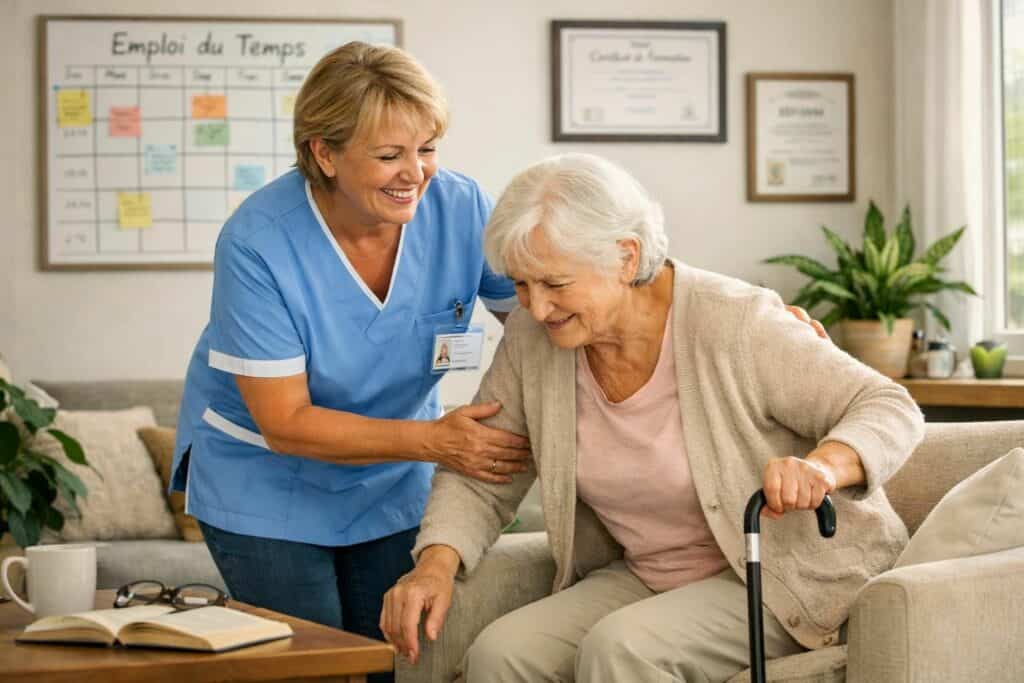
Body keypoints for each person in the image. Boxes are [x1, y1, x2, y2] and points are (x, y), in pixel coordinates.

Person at [381, 153, 925, 682]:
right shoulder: (533, 339)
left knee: (621, 650)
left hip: (777, 578)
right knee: (502, 655)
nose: (536, 307)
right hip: (649, 576)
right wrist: (435, 562)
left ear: (625, 256)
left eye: (555, 284)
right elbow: (485, 464)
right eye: (522, 284)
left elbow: (887, 405)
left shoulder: (733, 321)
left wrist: (825, 468)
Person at [169, 42, 533, 680]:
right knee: (314, 668)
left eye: (427, 148)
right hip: (266, 480)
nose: (415, 173)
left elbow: (535, 320)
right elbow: (285, 421)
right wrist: (437, 442)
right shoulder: (258, 243)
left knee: (393, 664)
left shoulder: (461, 206)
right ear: (325, 153)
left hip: (393, 478)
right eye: (390, 155)